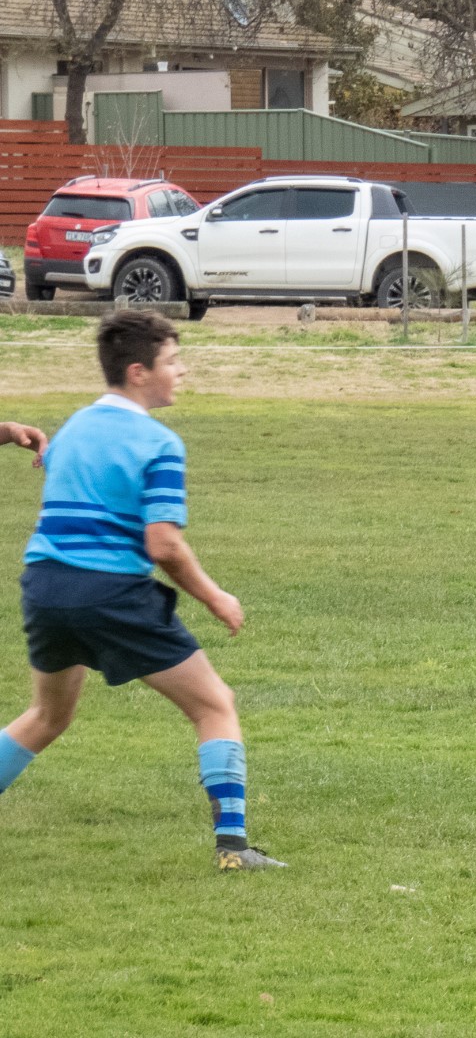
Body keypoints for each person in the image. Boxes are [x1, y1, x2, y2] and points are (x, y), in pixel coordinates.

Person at [0, 311, 284, 872]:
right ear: (138, 372)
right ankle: (233, 849)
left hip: (46, 585)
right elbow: (164, 545)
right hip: (111, 592)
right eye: (172, 362)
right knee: (214, 705)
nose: (182, 371)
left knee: (46, 716)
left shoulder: (75, 426)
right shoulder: (159, 443)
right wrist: (215, 597)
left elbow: (68, 476)